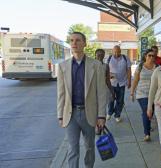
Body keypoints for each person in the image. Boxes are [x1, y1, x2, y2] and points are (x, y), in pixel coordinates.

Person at [57, 32, 107, 168]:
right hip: (70, 114)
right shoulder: (62, 66)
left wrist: (101, 115)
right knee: (73, 149)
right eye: (72, 40)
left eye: (78, 40)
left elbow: (101, 92)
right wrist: (60, 115)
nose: (74, 43)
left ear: (84, 43)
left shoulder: (96, 65)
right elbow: (61, 94)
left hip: (89, 113)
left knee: (90, 147)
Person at [130, 49, 157, 141]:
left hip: (154, 94)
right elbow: (136, 80)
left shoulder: (156, 67)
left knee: (151, 112)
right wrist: (132, 92)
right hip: (142, 94)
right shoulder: (140, 66)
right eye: (149, 55)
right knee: (146, 111)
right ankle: (147, 134)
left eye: (153, 56)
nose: (151, 57)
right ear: (145, 56)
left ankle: (148, 125)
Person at [106, 45, 132, 122]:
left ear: (120, 51)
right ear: (112, 51)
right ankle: (110, 112)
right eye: (115, 52)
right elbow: (106, 70)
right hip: (111, 83)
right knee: (111, 99)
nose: (116, 53)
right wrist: (109, 75)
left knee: (120, 100)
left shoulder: (125, 58)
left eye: (118, 52)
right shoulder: (109, 58)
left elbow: (129, 70)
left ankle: (117, 115)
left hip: (122, 83)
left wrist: (129, 81)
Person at [95, 49, 115, 135]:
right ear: (95, 55)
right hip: (93, 91)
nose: (100, 56)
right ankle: (97, 126)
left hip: (103, 91)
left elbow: (107, 80)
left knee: (103, 109)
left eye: (102, 54)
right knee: (95, 110)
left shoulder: (106, 66)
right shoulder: (91, 65)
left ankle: (101, 126)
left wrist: (112, 91)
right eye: (98, 54)